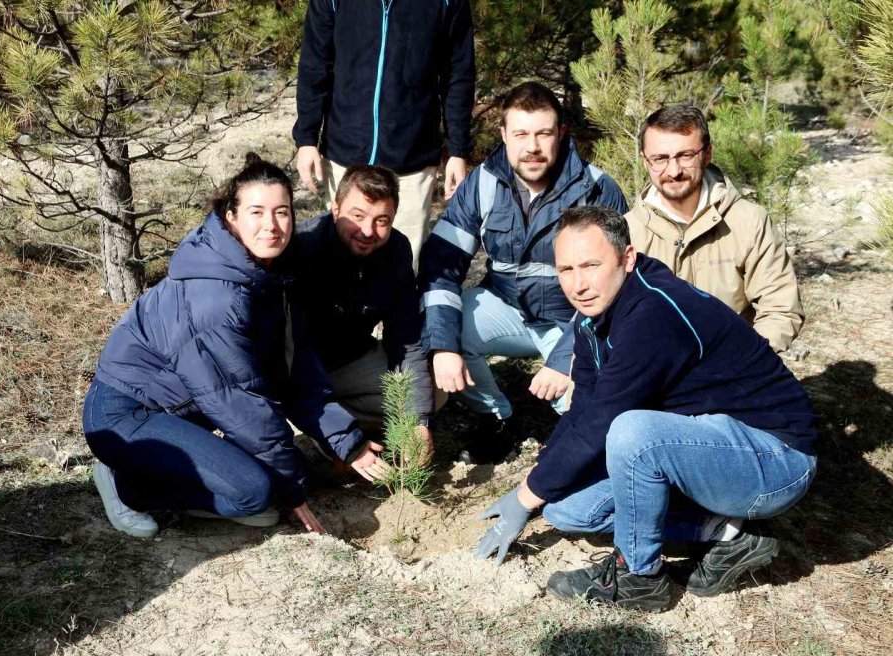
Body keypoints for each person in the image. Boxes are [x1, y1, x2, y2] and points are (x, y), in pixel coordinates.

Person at [473, 206, 817, 611]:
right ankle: (726, 533)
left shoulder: (654, 313)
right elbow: (583, 410)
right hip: (708, 448)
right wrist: (537, 484)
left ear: (627, 258)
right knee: (566, 509)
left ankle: (639, 577)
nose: (578, 284)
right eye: (566, 269)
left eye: (591, 265)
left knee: (631, 433)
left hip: (775, 459)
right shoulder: (593, 316)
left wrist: (522, 499)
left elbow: (602, 422)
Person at [82, 154, 389, 538]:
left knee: (269, 483)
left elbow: (294, 373)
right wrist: (291, 487)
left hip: (187, 407)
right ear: (231, 217)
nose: (271, 225)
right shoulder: (216, 298)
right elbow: (236, 400)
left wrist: (349, 443)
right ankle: (126, 485)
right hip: (127, 412)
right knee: (253, 493)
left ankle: (186, 473)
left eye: (281, 212)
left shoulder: (274, 274)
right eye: (256, 212)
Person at [419, 81, 628, 464]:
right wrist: (444, 347)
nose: (532, 146)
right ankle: (495, 418)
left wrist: (564, 359)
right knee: (443, 328)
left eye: (543, 133)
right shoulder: (482, 183)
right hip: (507, 307)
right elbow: (440, 267)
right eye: (520, 134)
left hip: (574, 321)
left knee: (594, 423)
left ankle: (574, 430)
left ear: (561, 133)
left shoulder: (596, 189)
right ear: (503, 134)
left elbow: (617, 289)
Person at [292, 0, 476, 266]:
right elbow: (315, 64)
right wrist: (307, 138)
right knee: (340, 262)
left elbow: (458, 74)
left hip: (412, 159)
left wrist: (458, 150)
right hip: (344, 152)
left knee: (405, 265)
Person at [626, 105, 803, 353]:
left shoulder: (749, 221)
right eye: (660, 159)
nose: (674, 171)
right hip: (652, 367)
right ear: (646, 161)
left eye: (686, 155)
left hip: (733, 363)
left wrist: (743, 360)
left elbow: (780, 310)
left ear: (707, 153)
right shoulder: (626, 231)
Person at [293, 165, 434, 457]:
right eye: (357, 216)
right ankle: (324, 428)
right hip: (299, 370)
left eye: (382, 220)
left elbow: (405, 338)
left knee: (430, 392)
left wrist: (418, 421)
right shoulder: (302, 247)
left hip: (352, 360)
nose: (368, 231)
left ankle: (346, 427)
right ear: (335, 210)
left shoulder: (396, 249)